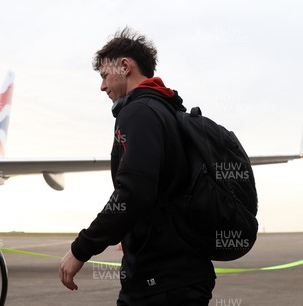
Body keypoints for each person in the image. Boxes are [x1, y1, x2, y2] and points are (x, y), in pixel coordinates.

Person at [59, 27, 216, 305]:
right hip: (184, 274)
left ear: (124, 66)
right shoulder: (169, 110)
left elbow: (133, 192)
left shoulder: (138, 112)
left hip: (159, 283)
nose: (103, 86)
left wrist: (81, 249)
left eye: (104, 75)